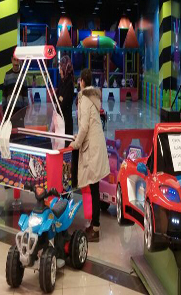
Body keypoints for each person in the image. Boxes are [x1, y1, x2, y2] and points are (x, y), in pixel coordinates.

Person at [70, 69, 109, 242]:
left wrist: (76, 143)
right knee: (94, 188)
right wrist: (78, 137)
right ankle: (94, 224)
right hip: (96, 144)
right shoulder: (92, 97)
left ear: (82, 81)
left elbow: (84, 126)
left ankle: (96, 229)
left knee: (94, 188)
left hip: (92, 148)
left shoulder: (85, 99)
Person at [3, 55, 27, 125]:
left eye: (17, 60)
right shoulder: (7, 75)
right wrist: (4, 110)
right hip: (9, 111)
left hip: (20, 111)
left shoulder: (23, 75)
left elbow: (25, 94)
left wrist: (24, 111)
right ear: (11, 60)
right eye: (14, 60)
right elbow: (4, 94)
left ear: (20, 61)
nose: (16, 63)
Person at [57, 55, 74, 136]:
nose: (59, 71)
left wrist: (59, 98)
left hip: (66, 123)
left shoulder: (69, 83)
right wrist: (60, 98)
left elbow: (64, 103)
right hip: (60, 121)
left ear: (65, 69)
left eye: (61, 69)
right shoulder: (62, 81)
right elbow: (55, 97)